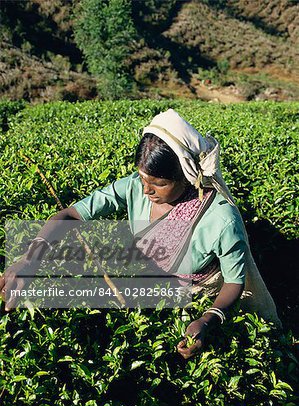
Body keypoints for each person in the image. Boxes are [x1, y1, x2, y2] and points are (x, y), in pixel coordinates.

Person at [0, 109, 281, 359]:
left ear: (186, 176)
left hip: (209, 288)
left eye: (158, 183)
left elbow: (234, 282)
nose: (146, 190)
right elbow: (71, 215)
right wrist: (30, 260)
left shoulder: (220, 218)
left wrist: (207, 319)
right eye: (143, 178)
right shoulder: (136, 187)